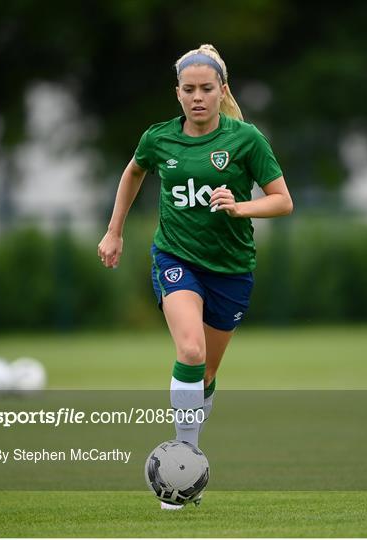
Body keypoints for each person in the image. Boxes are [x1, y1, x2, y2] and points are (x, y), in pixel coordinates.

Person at [98, 44, 293, 509]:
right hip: (175, 257)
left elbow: (282, 200)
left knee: (204, 373)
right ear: (178, 93)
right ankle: (183, 463)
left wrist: (239, 206)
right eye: (189, 89)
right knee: (189, 350)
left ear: (221, 90)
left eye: (207, 89)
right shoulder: (158, 138)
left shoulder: (246, 139)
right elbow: (132, 173)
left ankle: (189, 458)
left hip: (231, 270)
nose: (198, 97)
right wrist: (114, 232)